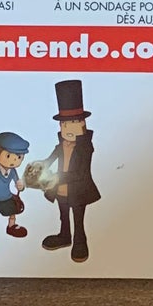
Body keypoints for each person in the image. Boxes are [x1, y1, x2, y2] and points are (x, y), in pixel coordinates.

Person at [40, 80, 99, 264]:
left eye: (74, 123)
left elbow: (79, 174)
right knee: (63, 214)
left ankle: (80, 241)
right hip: (60, 190)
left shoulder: (85, 148)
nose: (68, 129)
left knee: (78, 219)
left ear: (83, 124)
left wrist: (56, 178)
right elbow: (49, 160)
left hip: (78, 190)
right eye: (64, 124)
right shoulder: (61, 146)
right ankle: (65, 236)